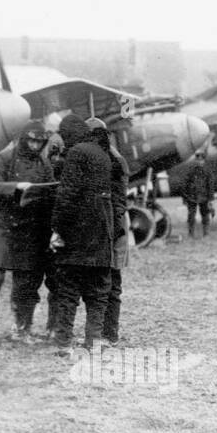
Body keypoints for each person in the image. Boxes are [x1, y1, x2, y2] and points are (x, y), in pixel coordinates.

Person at [0, 121, 54, 347]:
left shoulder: (43, 163)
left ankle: (22, 330)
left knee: (25, 284)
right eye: (31, 140)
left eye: (39, 141)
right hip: (1, 227)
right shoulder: (5, 157)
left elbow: (49, 193)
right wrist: (16, 187)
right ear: (23, 139)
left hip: (28, 229)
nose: (34, 145)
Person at [46, 113, 113, 349]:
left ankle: (63, 341)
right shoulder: (102, 153)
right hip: (101, 230)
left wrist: (57, 229)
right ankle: (93, 340)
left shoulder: (76, 153)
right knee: (97, 290)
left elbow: (67, 195)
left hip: (78, 230)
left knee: (68, 288)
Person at [89, 117, 131, 345]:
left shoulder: (113, 160)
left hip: (114, 228)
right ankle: (108, 332)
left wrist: (112, 229)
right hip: (113, 225)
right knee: (109, 283)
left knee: (111, 283)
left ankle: (109, 333)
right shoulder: (113, 156)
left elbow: (118, 199)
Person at [182, 149, 214, 238]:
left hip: (204, 197)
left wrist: (210, 200)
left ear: (204, 161)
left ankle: (206, 233)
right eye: (197, 160)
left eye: (201, 160)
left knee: (205, 216)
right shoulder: (191, 172)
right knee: (191, 217)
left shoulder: (208, 172)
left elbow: (210, 186)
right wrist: (185, 198)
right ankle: (190, 233)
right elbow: (185, 184)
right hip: (192, 197)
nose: (199, 162)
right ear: (195, 161)